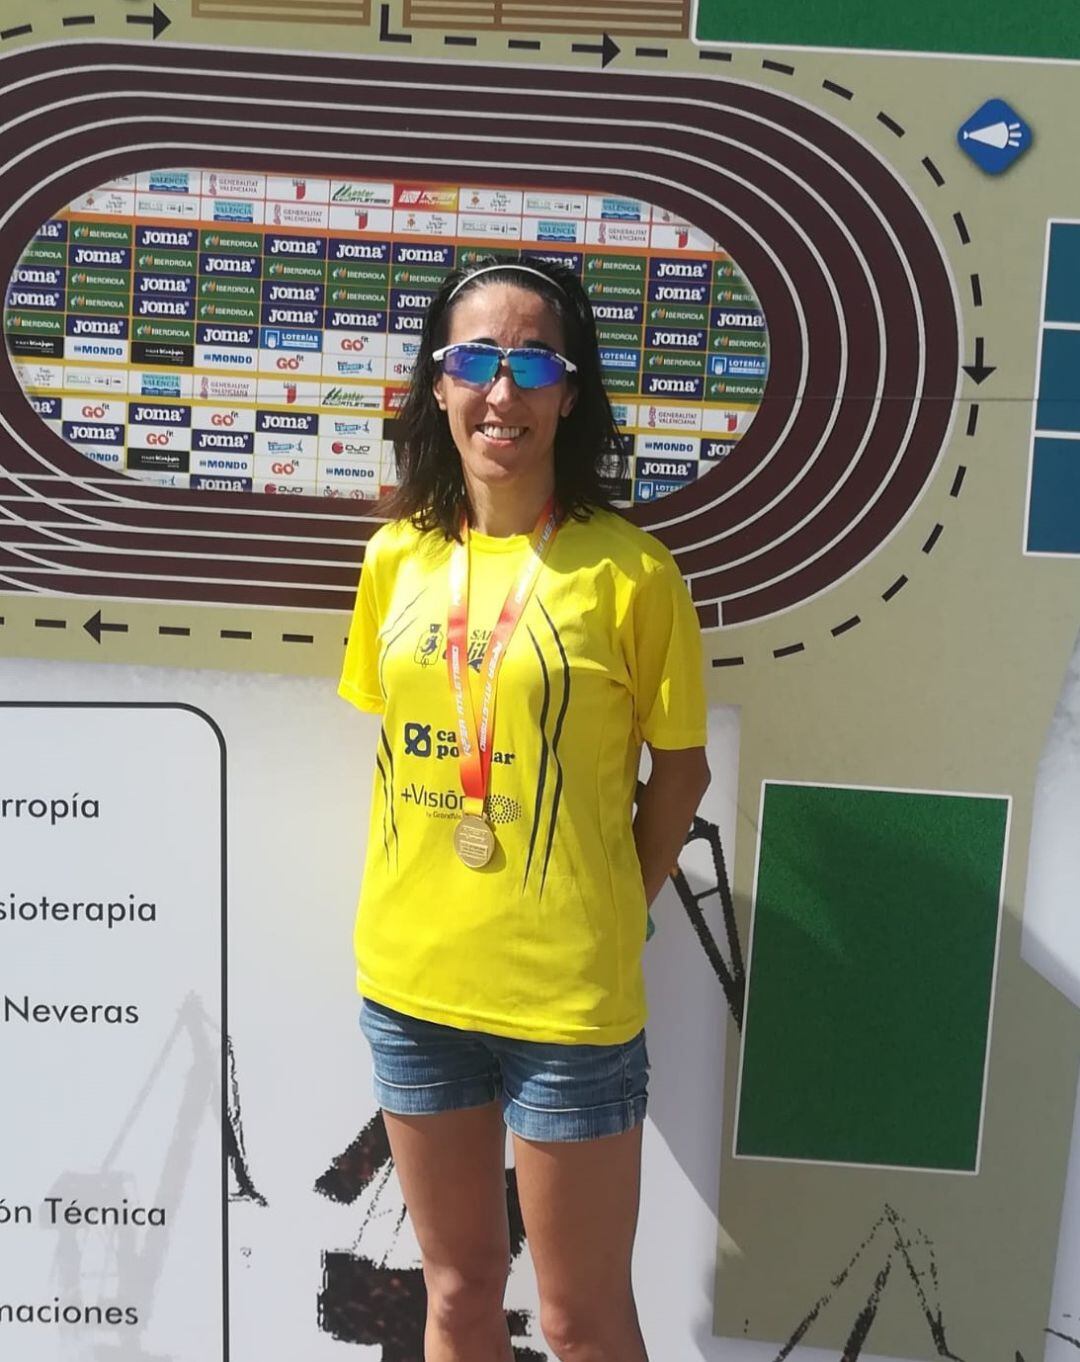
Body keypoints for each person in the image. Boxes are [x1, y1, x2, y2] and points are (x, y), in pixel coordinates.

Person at [339, 255, 710, 1362]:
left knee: (577, 1320)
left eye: (536, 364)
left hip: (568, 1003)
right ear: (438, 385)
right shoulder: (395, 558)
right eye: (477, 361)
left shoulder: (633, 573)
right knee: (456, 1292)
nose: (503, 392)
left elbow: (680, 775)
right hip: (414, 987)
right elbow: (400, 739)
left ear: (570, 392)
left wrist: (615, 906)